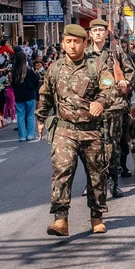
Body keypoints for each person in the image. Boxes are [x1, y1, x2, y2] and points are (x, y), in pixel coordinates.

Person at [37, 24, 118, 236]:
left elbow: (111, 88)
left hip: (91, 131)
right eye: (68, 42)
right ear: (63, 43)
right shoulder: (54, 68)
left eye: (76, 42)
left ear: (84, 43)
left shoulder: (97, 66)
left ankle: (97, 216)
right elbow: (45, 95)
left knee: (96, 174)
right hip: (64, 129)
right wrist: (40, 118)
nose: (72, 46)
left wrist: (101, 101)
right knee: (62, 171)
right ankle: (60, 219)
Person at [87, 20, 135, 197]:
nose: (98, 33)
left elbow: (131, 71)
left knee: (113, 145)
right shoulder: (85, 54)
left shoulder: (115, 52)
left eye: (101, 30)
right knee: (91, 147)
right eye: (95, 30)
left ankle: (114, 182)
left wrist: (126, 83)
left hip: (114, 106)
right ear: (90, 34)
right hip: (91, 107)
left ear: (106, 33)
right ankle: (92, 182)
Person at [9, 49, 41, 142]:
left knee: (20, 115)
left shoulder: (13, 71)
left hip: (19, 96)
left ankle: (22, 135)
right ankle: (30, 134)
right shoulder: (28, 70)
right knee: (30, 115)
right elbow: (36, 81)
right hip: (29, 95)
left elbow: (12, 84)